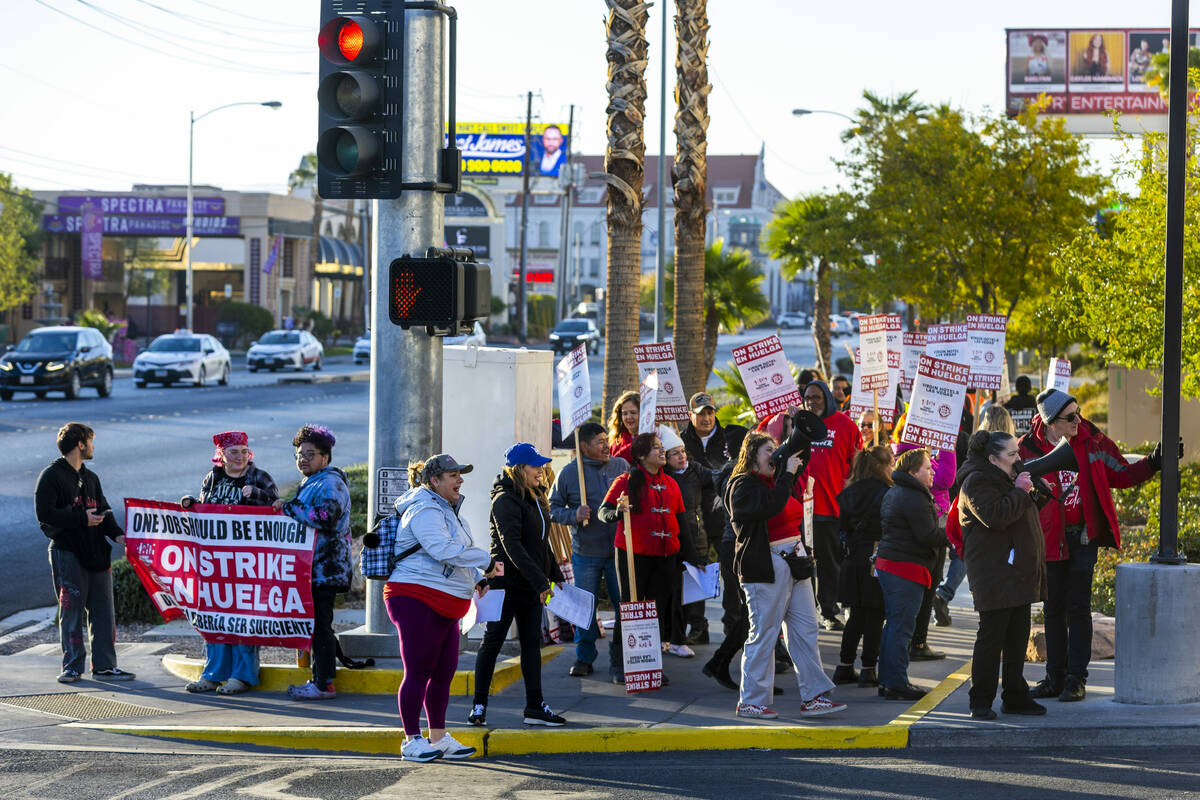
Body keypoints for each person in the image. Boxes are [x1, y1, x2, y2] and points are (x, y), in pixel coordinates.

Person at [1020, 389, 1173, 703]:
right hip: (1049, 540)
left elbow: (1122, 474)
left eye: (1078, 412)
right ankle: (1055, 677)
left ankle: (1076, 679)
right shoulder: (1028, 448)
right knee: (1053, 610)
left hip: (1083, 537)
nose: (1078, 420)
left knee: (1078, 608)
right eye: (1069, 417)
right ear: (1050, 422)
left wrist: (1153, 463)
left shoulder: (1093, 440)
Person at [382, 454, 498, 761]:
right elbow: (442, 550)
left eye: (460, 474)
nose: (459, 479)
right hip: (415, 597)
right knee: (418, 670)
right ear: (434, 481)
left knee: (444, 672)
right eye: (452, 475)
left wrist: (476, 578)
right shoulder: (423, 509)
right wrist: (484, 561)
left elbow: (454, 552)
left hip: (444, 600)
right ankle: (411, 740)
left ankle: (438, 738)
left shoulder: (447, 509)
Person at [725, 432, 846, 720]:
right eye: (769, 450)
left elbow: (800, 459)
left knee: (805, 630)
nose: (775, 456)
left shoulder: (777, 482)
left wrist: (800, 432)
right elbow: (769, 507)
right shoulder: (742, 485)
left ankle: (814, 695)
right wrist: (786, 476)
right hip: (765, 566)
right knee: (765, 634)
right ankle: (752, 700)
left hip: (794, 560)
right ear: (752, 454)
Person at [471, 443, 567, 727]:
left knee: (531, 646)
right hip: (505, 585)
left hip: (530, 585)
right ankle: (478, 706)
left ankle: (535, 707)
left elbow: (540, 543)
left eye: (541, 465)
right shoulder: (504, 500)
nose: (541, 470)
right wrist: (540, 581)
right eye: (535, 466)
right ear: (518, 469)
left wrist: (554, 576)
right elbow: (511, 546)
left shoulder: (536, 496)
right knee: (493, 643)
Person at [957, 430, 1048, 720]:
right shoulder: (977, 481)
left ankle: (1015, 696)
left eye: (1017, 453)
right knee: (992, 637)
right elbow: (995, 516)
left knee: (1017, 638)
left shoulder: (1005, 478)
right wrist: (1020, 491)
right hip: (994, 573)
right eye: (1012, 455)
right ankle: (980, 700)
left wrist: (1036, 494)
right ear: (993, 459)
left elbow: (1019, 514)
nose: (1018, 459)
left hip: (1015, 571)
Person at [180, 431, 278, 695]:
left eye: (245, 451)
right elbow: (205, 509)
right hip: (217, 561)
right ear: (221, 455)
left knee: (244, 616)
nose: (240, 456)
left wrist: (256, 493)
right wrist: (192, 504)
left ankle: (242, 675)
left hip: (249, 560)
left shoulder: (260, 477)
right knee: (216, 615)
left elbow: (278, 510)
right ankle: (213, 674)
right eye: (234, 451)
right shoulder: (212, 477)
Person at [36, 423, 135, 684]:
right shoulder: (52, 476)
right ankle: (72, 666)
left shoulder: (91, 478)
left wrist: (119, 536)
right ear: (80, 444)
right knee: (72, 612)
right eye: (91, 441)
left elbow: (104, 511)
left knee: (104, 612)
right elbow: (44, 515)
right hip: (68, 553)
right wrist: (81, 519)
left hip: (96, 554)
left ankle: (104, 666)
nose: (93, 446)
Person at [274, 424, 351, 701]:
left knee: (320, 625)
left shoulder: (330, 482)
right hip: (311, 569)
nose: (302, 459)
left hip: (325, 569)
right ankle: (318, 678)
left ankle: (324, 683)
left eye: (310, 454)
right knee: (317, 624)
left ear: (325, 457)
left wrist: (288, 507)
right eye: (298, 454)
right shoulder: (314, 481)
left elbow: (325, 517)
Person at [549, 421, 629, 682]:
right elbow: (553, 509)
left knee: (623, 606)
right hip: (586, 552)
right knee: (585, 607)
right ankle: (584, 657)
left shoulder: (620, 467)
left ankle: (621, 659)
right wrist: (574, 514)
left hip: (618, 551)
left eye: (607, 440)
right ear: (584, 446)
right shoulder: (569, 474)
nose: (606, 445)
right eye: (599, 442)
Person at [598, 432, 685, 668]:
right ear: (641, 455)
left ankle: (648, 665)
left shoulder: (671, 483)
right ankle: (619, 664)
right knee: (629, 608)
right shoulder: (625, 482)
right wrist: (619, 512)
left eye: (661, 446)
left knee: (657, 611)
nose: (662, 451)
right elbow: (603, 512)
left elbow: (681, 520)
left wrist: (691, 556)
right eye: (656, 448)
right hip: (632, 554)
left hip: (665, 556)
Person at [876, 447, 946, 700]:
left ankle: (888, 680)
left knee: (894, 625)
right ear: (913, 472)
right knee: (901, 627)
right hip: (904, 567)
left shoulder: (898, 491)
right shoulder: (913, 496)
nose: (932, 472)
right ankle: (896, 683)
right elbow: (927, 536)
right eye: (927, 468)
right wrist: (953, 531)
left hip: (894, 565)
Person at [799, 379, 864, 630]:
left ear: (827, 397)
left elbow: (857, 466)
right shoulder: (800, 425)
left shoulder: (846, 426)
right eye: (807, 397)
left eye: (817, 397)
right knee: (804, 564)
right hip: (802, 508)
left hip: (833, 508)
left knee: (830, 563)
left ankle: (831, 608)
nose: (812, 402)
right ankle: (821, 610)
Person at [832, 446, 894, 688]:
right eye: (890, 463)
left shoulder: (849, 492)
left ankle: (844, 666)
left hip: (852, 559)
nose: (892, 468)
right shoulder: (887, 493)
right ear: (881, 466)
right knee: (875, 615)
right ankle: (869, 669)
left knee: (855, 616)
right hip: (876, 558)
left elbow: (842, 528)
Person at [702, 424, 751, 690]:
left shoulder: (728, 471)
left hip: (733, 547)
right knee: (750, 613)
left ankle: (724, 663)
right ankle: (720, 661)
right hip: (737, 548)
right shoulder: (737, 473)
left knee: (751, 613)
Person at [663, 426, 716, 649]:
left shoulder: (696, 469)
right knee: (675, 588)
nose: (681, 456)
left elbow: (716, 478)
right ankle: (675, 633)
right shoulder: (662, 476)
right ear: (665, 458)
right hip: (673, 539)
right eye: (675, 453)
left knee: (696, 585)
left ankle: (698, 629)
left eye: (682, 451)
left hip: (697, 535)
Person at [607, 390, 640, 464]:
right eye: (625, 413)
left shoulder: (653, 439)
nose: (629, 417)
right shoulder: (616, 442)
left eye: (633, 412)